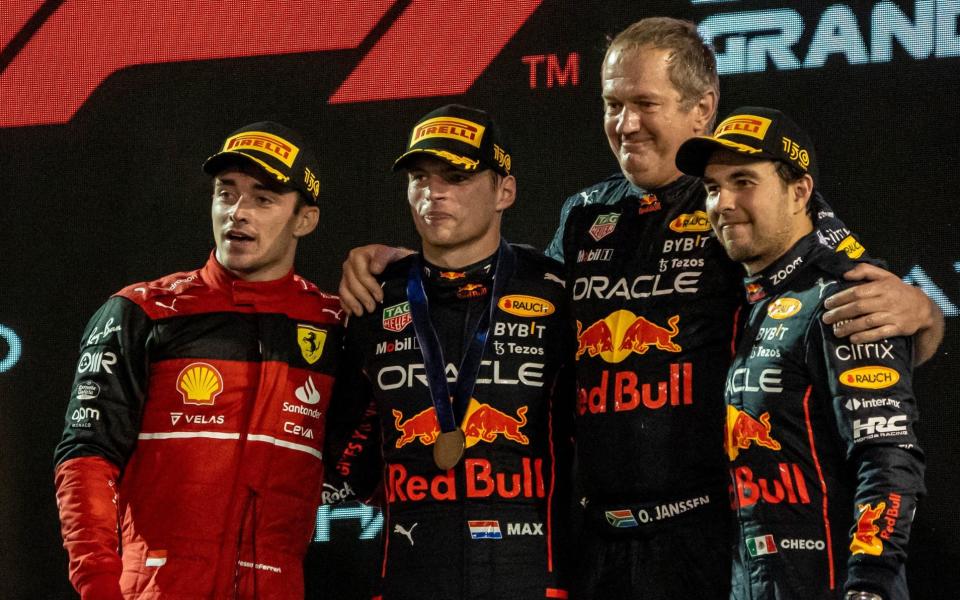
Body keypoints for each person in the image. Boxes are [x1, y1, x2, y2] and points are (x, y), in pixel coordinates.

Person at [336, 18, 942, 599]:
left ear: (702, 107)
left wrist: (924, 312)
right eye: (611, 104)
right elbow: (504, 294)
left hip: (710, 536)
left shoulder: (733, 201)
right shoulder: (583, 215)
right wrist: (402, 268)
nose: (625, 124)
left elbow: (855, 298)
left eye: (644, 104)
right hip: (595, 540)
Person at [53, 122, 343, 599]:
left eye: (262, 199)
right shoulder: (142, 311)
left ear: (304, 219)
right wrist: (99, 586)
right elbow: (86, 459)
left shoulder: (335, 327)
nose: (237, 213)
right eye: (225, 194)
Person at [325, 105, 575, 600]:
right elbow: (346, 450)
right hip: (410, 568)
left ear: (505, 190)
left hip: (530, 572)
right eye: (419, 177)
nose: (432, 192)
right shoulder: (375, 299)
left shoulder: (554, 294)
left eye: (457, 176)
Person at [675, 106, 924, 600]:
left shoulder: (848, 295)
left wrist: (869, 587)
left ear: (799, 191)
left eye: (743, 181)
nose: (723, 202)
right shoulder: (744, 299)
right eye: (711, 187)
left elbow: (889, 458)